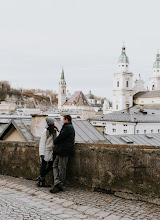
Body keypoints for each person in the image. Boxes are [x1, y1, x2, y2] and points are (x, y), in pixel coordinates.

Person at [50, 115, 75, 193]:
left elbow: (61, 137)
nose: (62, 121)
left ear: (67, 120)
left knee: (61, 167)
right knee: (55, 165)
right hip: (61, 150)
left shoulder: (68, 127)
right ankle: (57, 182)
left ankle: (59, 184)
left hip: (64, 150)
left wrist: (54, 142)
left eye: (63, 119)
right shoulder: (68, 127)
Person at [36, 117, 59, 187]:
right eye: (54, 122)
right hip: (46, 151)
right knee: (43, 165)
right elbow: (42, 143)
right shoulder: (45, 131)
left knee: (51, 166)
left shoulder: (55, 131)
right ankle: (42, 180)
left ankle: (40, 177)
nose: (55, 123)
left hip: (52, 151)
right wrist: (42, 153)